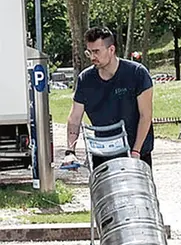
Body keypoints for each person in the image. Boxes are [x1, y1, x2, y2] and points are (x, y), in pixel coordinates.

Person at [62, 27, 155, 169]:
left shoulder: (137, 73)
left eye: (97, 52)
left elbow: (145, 116)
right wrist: (70, 151)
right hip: (102, 153)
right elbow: (75, 117)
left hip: (135, 152)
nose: (92, 57)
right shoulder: (85, 79)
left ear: (111, 50)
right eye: (89, 52)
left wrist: (136, 151)